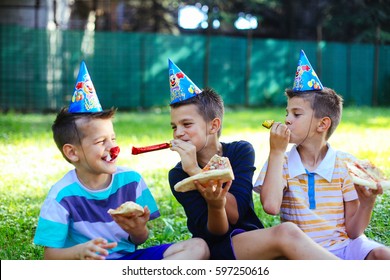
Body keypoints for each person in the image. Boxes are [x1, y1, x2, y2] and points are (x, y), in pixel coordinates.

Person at [33, 61, 209, 260]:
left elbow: (139, 240)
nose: (113, 148)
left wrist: (138, 229)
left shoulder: (131, 181)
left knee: (198, 247)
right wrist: (79, 252)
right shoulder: (61, 196)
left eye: (113, 139)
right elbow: (49, 257)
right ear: (72, 153)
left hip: (127, 261)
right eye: (101, 141)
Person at [167, 59, 338, 260]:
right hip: (216, 251)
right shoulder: (178, 175)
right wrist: (194, 172)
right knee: (286, 233)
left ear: (213, 126)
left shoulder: (240, 151)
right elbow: (217, 232)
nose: (178, 133)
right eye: (174, 127)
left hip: (252, 238)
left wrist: (197, 172)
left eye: (186, 124)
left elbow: (237, 212)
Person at [254, 50, 390, 260]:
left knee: (382, 255)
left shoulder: (346, 164)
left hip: (344, 247)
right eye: (286, 113)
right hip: (301, 252)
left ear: (323, 124)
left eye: (296, 114)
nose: (287, 120)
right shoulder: (281, 161)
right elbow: (271, 207)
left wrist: (367, 203)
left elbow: (354, 232)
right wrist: (277, 151)